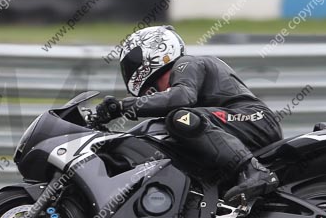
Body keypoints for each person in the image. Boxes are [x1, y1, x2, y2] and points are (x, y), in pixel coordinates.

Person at [95, 25, 282, 205]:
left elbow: (181, 97)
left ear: (155, 51)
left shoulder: (187, 63)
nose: (129, 72)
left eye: (132, 63)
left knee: (180, 118)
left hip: (255, 119)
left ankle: (255, 171)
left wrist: (121, 106)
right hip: (236, 127)